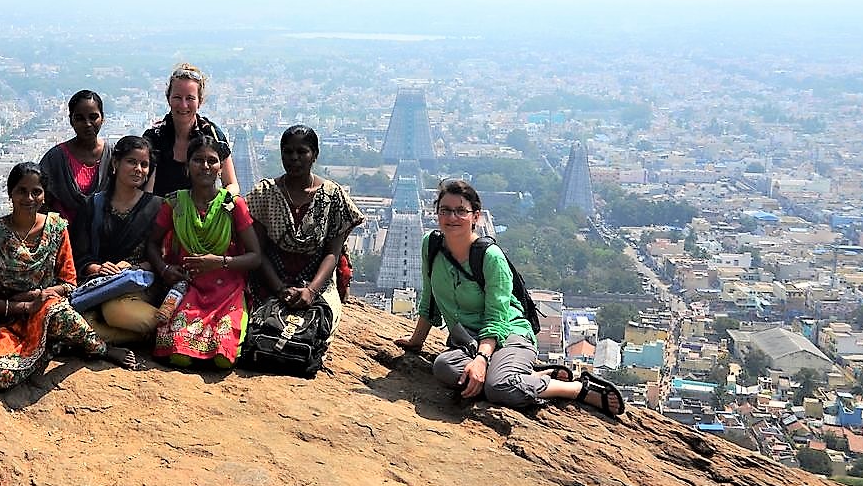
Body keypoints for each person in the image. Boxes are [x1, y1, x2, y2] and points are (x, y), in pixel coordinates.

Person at [396, 179, 625, 417]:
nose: (452, 217)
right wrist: (416, 342)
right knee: (443, 367)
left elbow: (496, 318)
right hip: (468, 340)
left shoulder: (490, 257)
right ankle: (532, 377)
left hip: (509, 333)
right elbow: (430, 296)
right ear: (436, 213)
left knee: (498, 389)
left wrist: (482, 360)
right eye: (445, 210)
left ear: (476, 216)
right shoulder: (431, 245)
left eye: (461, 211)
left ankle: (576, 388)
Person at [0, 161, 138, 392]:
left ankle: (101, 349)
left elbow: (69, 283)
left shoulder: (56, 228)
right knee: (1, 376)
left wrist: (39, 297)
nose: (29, 198)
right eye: (22, 191)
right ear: (10, 193)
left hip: (48, 310)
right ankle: (53, 347)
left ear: (44, 196)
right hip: (6, 318)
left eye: (36, 192)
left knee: (56, 311)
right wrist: (21, 306)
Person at [146, 135, 261, 368]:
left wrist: (219, 262)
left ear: (221, 168)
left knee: (222, 358)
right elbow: (152, 243)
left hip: (227, 287)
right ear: (187, 166)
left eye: (212, 160)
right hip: (188, 285)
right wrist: (164, 268)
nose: (205, 166)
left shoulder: (232, 204)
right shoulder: (175, 204)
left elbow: (255, 256)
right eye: (198, 160)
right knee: (178, 354)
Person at [247, 125, 365, 338]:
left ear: (315, 155)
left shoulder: (333, 196)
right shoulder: (264, 193)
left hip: (316, 281)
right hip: (270, 280)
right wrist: (280, 289)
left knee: (314, 330)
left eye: (302, 152)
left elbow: (333, 253)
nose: (294, 158)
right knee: (259, 329)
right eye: (288, 152)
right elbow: (258, 251)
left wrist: (311, 291)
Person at [70, 135, 163, 344]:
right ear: (115, 163)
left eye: (144, 164)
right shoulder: (92, 206)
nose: (138, 169)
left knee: (114, 311)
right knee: (81, 322)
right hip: (99, 286)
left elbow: (161, 257)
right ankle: (147, 337)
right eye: (131, 161)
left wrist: (131, 267)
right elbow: (80, 255)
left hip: (140, 288)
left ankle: (164, 328)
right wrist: (99, 269)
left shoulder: (157, 207)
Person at [142, 63, 238, 196]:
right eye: (177, 97)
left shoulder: (211, 135)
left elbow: (231, 184)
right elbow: (141, 188)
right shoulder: (154, 138)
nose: (183, 105)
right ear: (168, 99)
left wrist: (220, 204)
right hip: (161, 212)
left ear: (200, 101)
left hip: (203, 213)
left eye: (190, 98)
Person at [38, 91, 111, 243]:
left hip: (105, 241)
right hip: (62, 241)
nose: (87, 124)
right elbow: (42, 202)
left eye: (93, 117)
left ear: (102, 118)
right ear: (71, 120)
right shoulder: (55, 159)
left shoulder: (112, 156)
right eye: (79, 118)